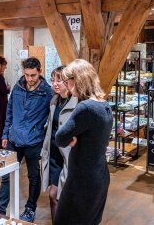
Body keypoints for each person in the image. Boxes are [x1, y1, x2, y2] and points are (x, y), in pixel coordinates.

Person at [53, 59, 113, 225]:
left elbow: (60, 138)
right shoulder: (104, 105)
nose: (66, 84)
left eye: (66, 81)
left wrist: (71, 137)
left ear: (76, 80)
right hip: (100, 175)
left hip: (82, 179)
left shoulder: (85, 107)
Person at [0, 57, 52, 222]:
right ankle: (0, 208)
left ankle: (30, 209)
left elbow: (53, 116)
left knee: (33, 177)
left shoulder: (47, 92)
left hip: (34, 142)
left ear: (40, 72)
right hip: (14, 139)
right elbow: (9, 111)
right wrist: (5, 133)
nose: (29, 79)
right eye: (27, 75)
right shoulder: (17, 88)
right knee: (6, 175)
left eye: (33, 75)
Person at [41, 66, 77, 223]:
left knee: (63, 197)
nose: (55, 84)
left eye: (59, 80)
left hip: (69, 156)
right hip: (55, 155)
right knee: (53, 195)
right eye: (53, 80)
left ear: (68, 81)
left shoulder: (77, 102)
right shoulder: (55, 100)